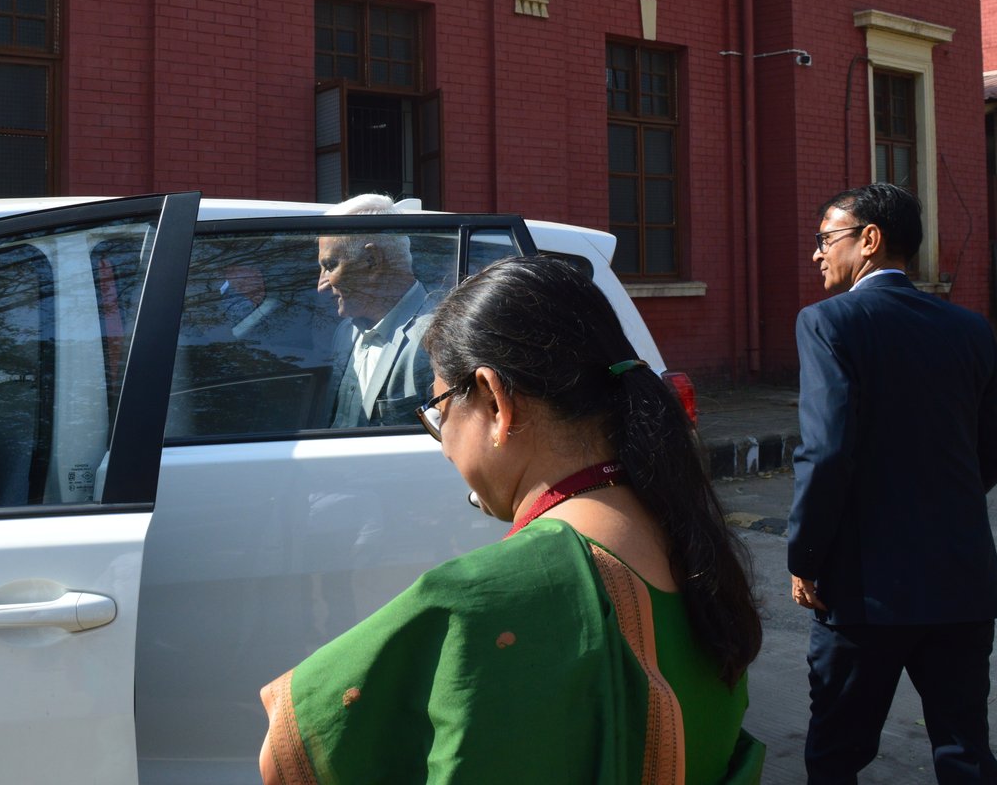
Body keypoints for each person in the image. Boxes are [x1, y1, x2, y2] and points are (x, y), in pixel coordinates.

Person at [260, 256, 765, 784]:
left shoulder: (479, 600)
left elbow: (285, 755)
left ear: (496, 402)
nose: (444, 446)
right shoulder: (692, 546)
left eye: (438, 412)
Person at [788, 184, 997, 785]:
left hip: (863, 588)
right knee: (965, 750)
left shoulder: (828, 322)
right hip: (961, 580)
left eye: (825, 239)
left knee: (835, 754)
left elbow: (826, 452)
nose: (816, 253)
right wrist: (939, 503)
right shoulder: (969, 328)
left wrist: (805, 558)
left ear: (869, 240)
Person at [318, 193, 435, 426]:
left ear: (371, 260)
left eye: (330, 266)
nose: (321, 285)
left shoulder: (436, 338)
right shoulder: (346, 332)